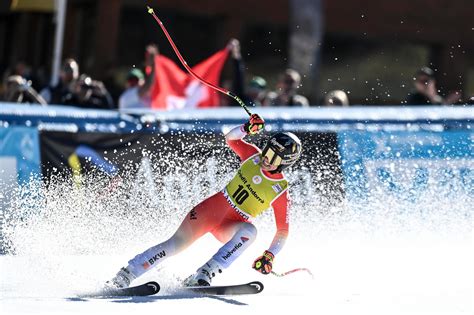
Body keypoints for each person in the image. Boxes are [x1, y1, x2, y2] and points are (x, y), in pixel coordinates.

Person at [107, 113, 302, 288]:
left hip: (231, 225)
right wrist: (247, 128)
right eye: (267, 152)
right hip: (209, 211)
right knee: (174, 245)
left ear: (285, 163)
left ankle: (205, 273)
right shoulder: (252, 156)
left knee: (250, 232)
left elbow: (283, 230)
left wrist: (270, 255)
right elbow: (231, 139)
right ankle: (127, 274)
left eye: (275, 158)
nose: (267, 159)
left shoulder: (280, 191)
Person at [118, 44, 158, 110]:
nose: (133, 83)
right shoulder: (125, 97)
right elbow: (147, 87)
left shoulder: (148, 94)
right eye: (131, 80)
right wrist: (154, 63)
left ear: (143, 81)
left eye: (136, 80)